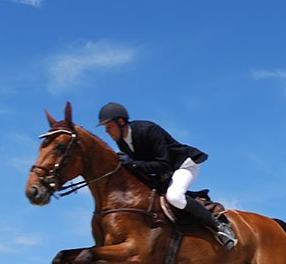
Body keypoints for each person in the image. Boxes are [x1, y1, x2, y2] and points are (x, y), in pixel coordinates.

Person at [97, 102, 236, 249]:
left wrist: (133, 164)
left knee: (174, 196)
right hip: (164, 173)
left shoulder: (147, 129)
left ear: (121, 122)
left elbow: (163, 164)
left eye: (109, 127)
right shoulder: (122, 142)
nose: (107, 132)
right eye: (105, 128)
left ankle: (219, 226)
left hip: (183, 166)